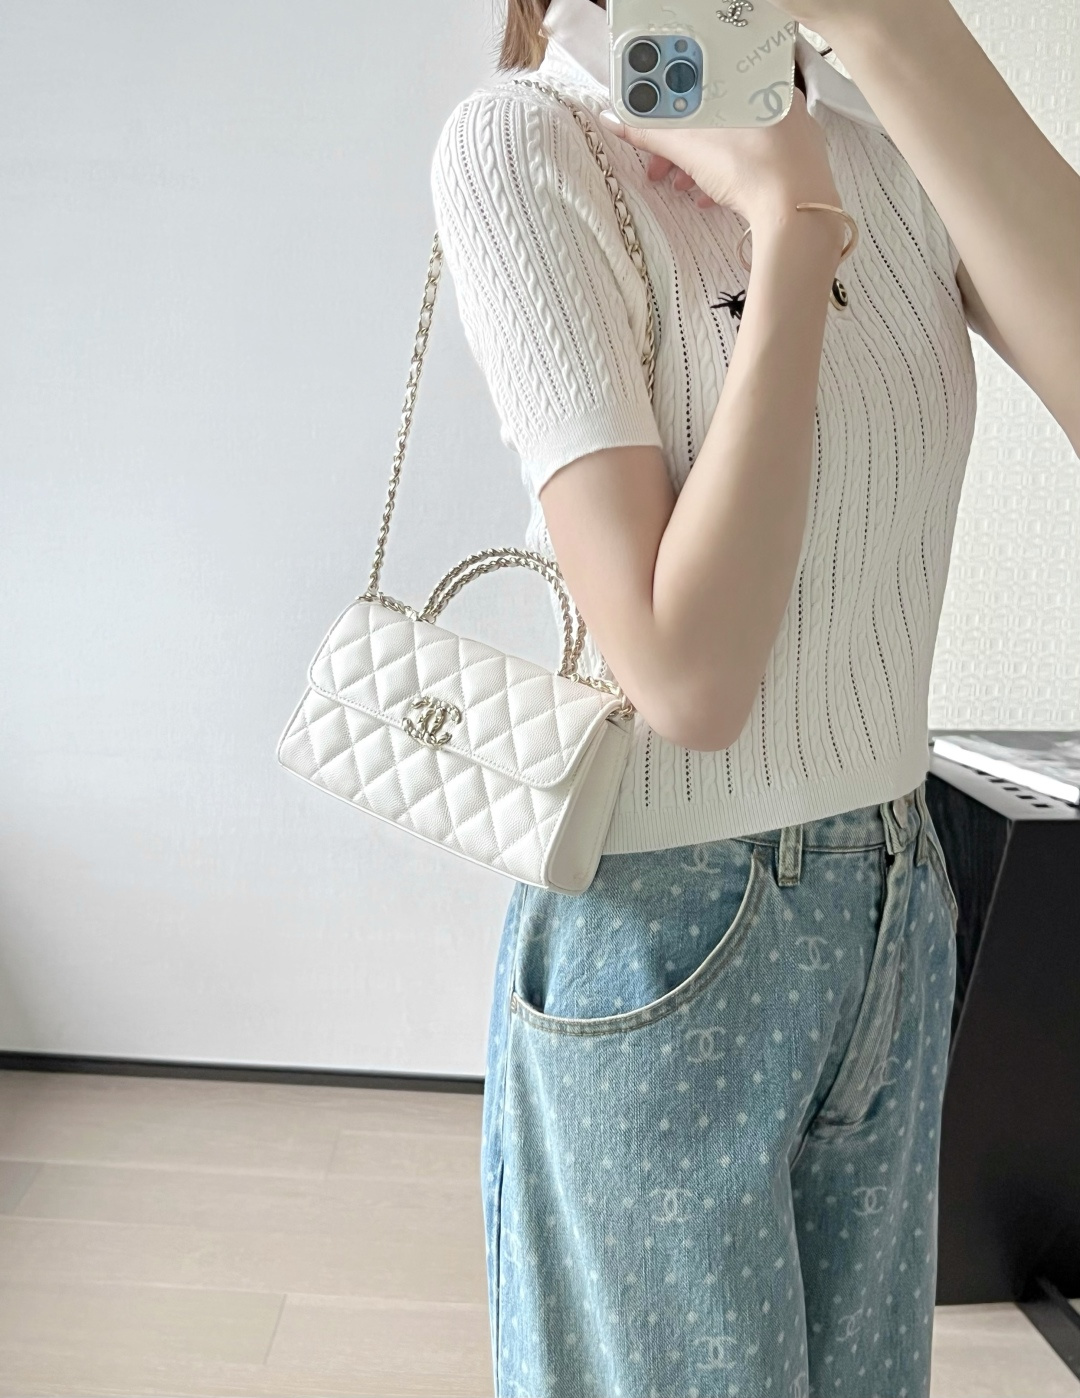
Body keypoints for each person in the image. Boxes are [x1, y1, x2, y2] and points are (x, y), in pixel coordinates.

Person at [429, 0, 1080, 1392]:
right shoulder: (528, 145)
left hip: (896, 903)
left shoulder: (881, 129)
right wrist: (791, 227)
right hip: (666, 933)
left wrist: (891, 30)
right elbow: (688, 673)